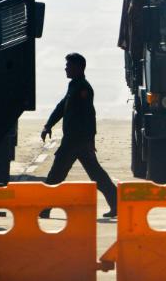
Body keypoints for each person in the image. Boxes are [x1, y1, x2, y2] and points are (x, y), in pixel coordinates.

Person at [40, 53, 117, 218]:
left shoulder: (83, 89)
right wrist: (48, 124)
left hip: (77, 142)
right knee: (95, 174)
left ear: (78, 67)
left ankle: (44, 208)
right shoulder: (73, 86)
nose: (66, 68)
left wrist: (90, 140)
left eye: (69, 65)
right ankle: (117, 203)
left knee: (56, 175)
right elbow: (62, 107)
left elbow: (90, 116)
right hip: (74, 141)